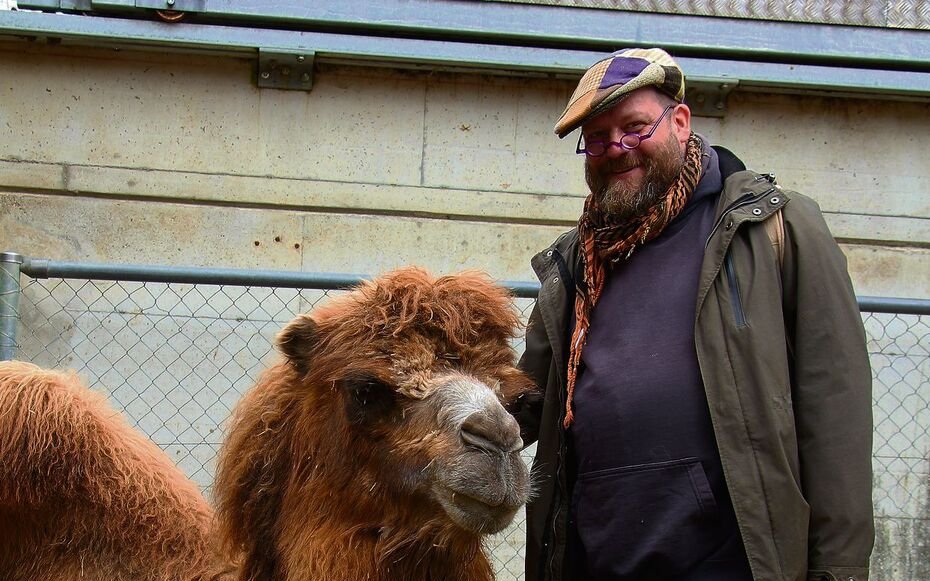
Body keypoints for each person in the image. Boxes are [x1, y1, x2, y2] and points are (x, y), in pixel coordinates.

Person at [511, 47, 874, 581]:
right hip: (597, 558)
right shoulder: (576, 262)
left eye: (635, 127)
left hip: (730, 562)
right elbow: (526, 399)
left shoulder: (771, 227)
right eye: (599, 138)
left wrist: (838, 569)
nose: (618, 148)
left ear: (680, 121)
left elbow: (834, 403)